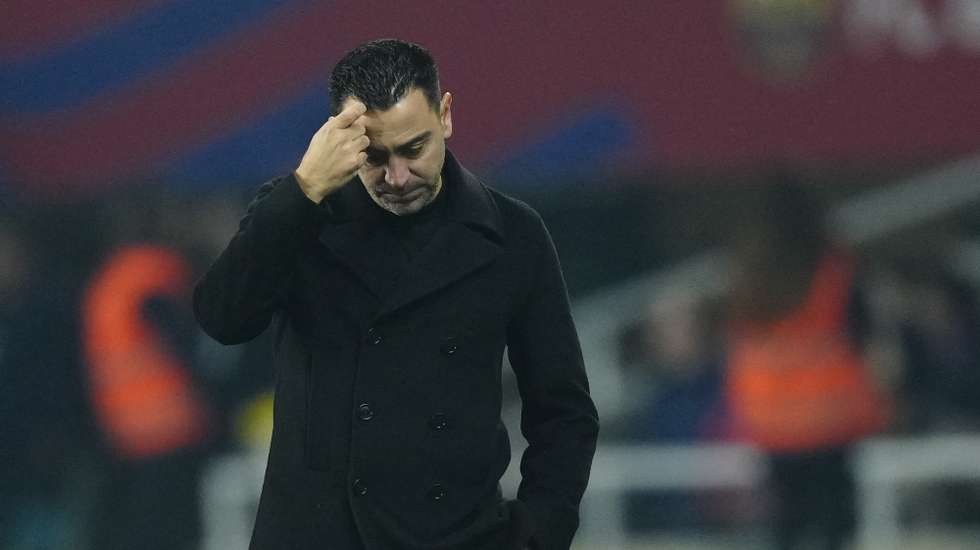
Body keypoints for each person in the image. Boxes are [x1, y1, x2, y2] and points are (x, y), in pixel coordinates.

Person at [193, 39, 599, 550]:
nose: (398, 177)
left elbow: (563, 411)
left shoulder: (512, 234)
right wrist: (301, 192)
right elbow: (223, 319)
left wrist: (538, 534)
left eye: (414, 149)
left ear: (445, 116)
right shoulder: (298, 218)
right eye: (375, 156)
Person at [724, 180, 890, 550]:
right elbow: (864, 335)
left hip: (770, 420)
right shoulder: (834, 271)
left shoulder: (749, 273)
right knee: (835, 525)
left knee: (785, 525)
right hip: (830, 419)